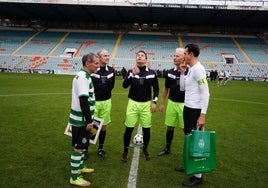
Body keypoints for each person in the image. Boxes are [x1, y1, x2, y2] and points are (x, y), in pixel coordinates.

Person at [178, 44, 210, 186]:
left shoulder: (199, 70)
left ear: (190, 54)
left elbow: (206, 93)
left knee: (196, 142)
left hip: (195, 111)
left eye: (185, 53)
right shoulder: (191, 69)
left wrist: (202, 115)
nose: (183, 55)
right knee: (189, 139)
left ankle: (198, 176)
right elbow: (183, 88)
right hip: (188, 108)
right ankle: (187, 166)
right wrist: (183, 72)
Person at [121, 50, 159, 162]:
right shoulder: (130, 71)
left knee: (147, 130)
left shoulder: (152, 73)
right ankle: (125, 151)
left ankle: (145, 150)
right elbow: (124, 85)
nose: (139, 57)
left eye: (142, 55)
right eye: (138, 55)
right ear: (136, 59)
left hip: (146, 105)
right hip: (132, 103)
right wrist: (132, 75)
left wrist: (154, 102)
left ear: (146, 59)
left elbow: (156, 89)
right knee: (129, 129)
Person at [68, 52, 99, 187]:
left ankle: (80, 167)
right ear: (88, 64)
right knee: (79, 147)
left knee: (82, 144)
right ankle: (74, 177)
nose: (98, 66)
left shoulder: (85, 75)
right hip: (81, 119)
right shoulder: (82, 77)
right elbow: (83, 100)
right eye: (96, 63)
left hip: (82, 118)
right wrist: (89, 121)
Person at [157, 48, 187, 156]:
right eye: (174, 56)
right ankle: (167, 147)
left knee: (186, 129)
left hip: (185, 105)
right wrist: (162, 103)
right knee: (169, 126)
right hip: (171, 103)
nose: (174, 58)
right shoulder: (170, 72)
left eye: (177, 56)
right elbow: (166, 88)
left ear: (184, 58)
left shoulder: (189, 71)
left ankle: (188, 151)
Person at [91, 49, 115, 158]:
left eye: (108, 55)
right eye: (105, 55)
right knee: (91, 126)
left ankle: (100, 148)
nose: (108, 57)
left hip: (106, 102)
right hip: (94, 102)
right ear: (99, 58)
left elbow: (112, 86)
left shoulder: (111, 70)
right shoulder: (93, 70)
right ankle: (85, 149)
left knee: (103, 126)